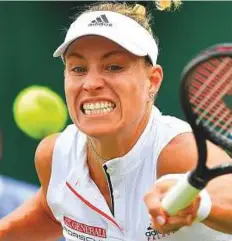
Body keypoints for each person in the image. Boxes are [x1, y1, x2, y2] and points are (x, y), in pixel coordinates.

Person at [0, 1, 232, 241]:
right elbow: (50, 213)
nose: (91, 83)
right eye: (78, 69)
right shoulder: (55, 156)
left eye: (113, 67)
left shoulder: (178, 152)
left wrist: (199, 203)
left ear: (152, 80)